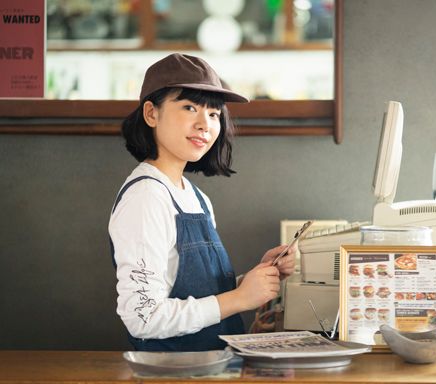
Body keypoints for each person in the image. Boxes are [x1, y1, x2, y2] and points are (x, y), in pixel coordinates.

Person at [108, 53, 296, 352]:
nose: (204, 124)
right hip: (171, 374)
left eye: (213, 113)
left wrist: (254, 280)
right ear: (151, 113)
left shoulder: (195, 197)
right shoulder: (146, 198)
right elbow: (142, 318)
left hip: (212, 367)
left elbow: (195, 293)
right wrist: (239, 299)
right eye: (189, 107)